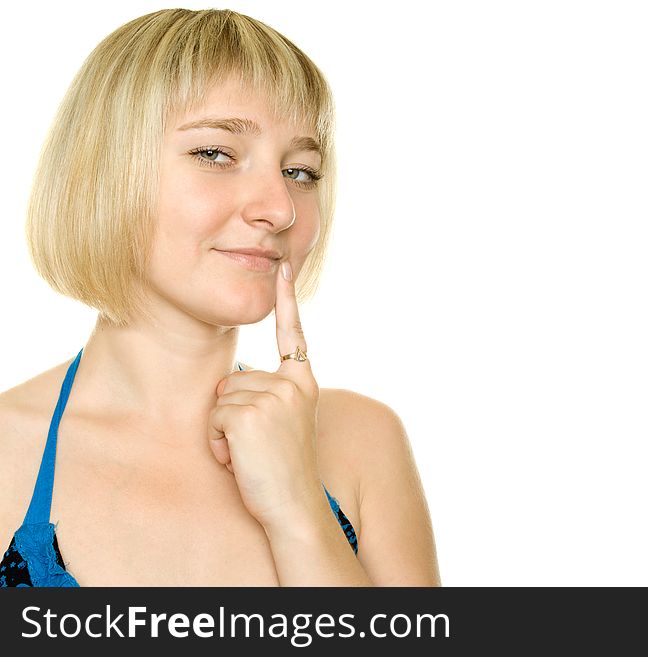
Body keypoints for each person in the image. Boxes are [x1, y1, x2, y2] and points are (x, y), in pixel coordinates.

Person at [0, 8, 441, 587]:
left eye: (301, 171)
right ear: (103, 169)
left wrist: (297, 505)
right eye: (216, 155)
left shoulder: (360, 443)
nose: (280, 208)